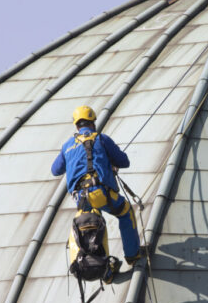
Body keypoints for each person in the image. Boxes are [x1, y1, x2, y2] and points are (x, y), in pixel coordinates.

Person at [51, 105, 141, 264]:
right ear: (92, 122)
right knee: (126, 212)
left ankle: (106, 272)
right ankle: (132, 256)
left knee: (91, 229)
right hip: (101, 193)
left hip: (81, 199)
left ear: (76, 125)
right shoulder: (101, 139)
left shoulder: (67, 146)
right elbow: (124, 161)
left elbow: (55, 170)